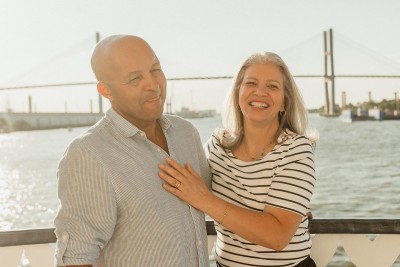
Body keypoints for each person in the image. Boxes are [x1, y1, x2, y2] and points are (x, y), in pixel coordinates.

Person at [54, 35, 211, 267]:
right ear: (106, 90)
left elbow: (210, 200)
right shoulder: (88, 154)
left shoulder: (186, 133)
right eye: (135, 78)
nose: (153, 84)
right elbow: (76, 259)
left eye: (155, 69)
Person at [159, 52, 317, 267]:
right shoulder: (216, 147)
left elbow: (277, 236)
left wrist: (205, 200)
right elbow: (179, 190)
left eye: (272, 86)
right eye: (251, 83)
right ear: (238, 94)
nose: (260, 92)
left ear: (284, 103)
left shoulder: (296, 148)